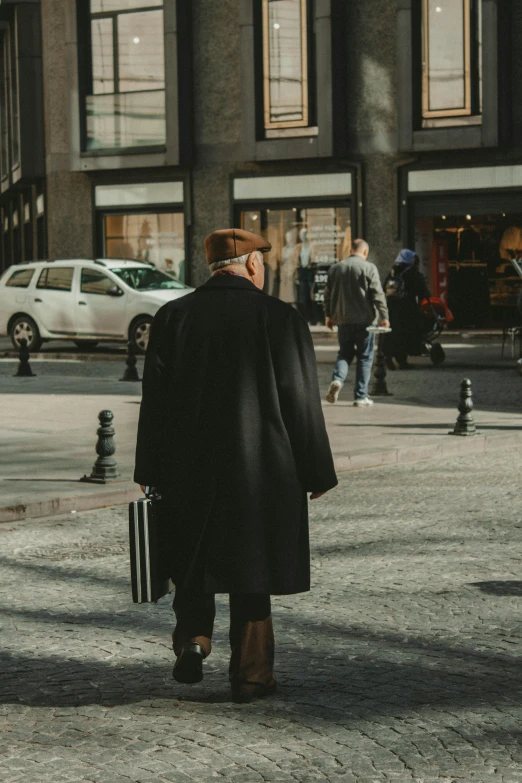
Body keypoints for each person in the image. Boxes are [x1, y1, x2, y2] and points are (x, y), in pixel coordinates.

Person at [134, 228, 338, 703]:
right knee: (253, 570)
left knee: (193, 558)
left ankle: (193, 639)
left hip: (187, 467)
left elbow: (154, 403)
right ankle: (251, 676)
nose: (262, 269)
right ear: (249, 264)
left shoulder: (172, 316)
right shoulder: (280, 317)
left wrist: (149, 466)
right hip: (260, 468)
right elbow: (300, 401)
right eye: (261, 262)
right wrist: (316, 471)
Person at [324, 238, 389, 406]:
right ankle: (360, 396)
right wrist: (384, 316)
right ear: (365, 252)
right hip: (365, 321)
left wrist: (329, 315)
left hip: (343, 320)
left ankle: (338, 379)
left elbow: (328, 295)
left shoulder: (336, 268)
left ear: (350, 250)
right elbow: (378, 294)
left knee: (344, 353)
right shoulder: (369, 268)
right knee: (365, 357)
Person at [383, 249, 430, 370]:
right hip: (407, 308)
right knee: (405, 334)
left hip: (391, 307)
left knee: (392, 333)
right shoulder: (412, 272)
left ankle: (388, 356)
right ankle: (402, 361)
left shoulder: (393, 271)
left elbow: (384, 286)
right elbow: (423, 291)